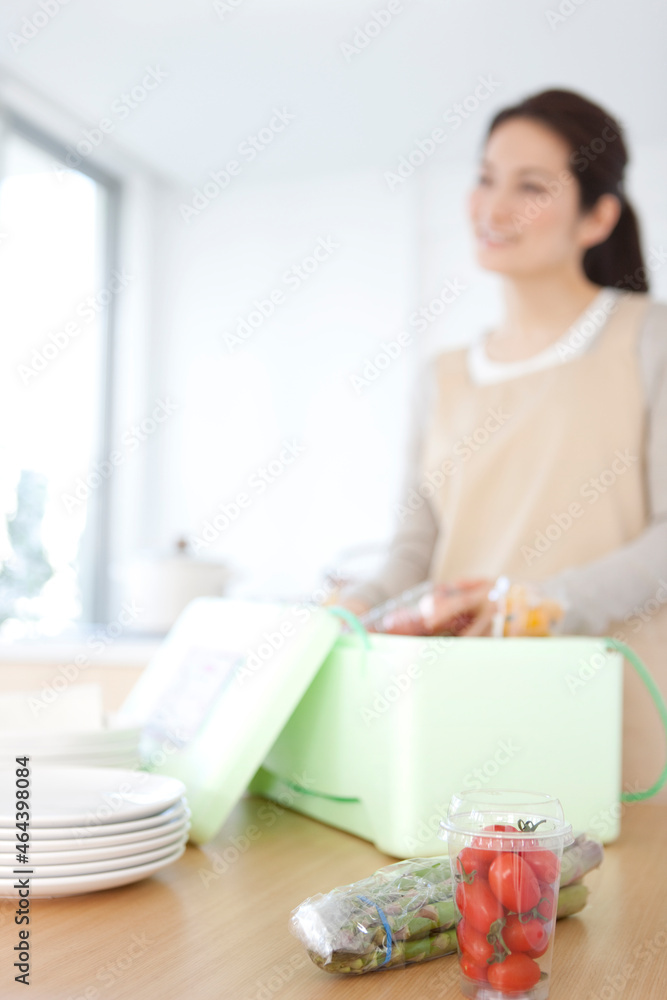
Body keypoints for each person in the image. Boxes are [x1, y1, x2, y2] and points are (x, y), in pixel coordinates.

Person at [337, 89, 667, 801]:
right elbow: (414, 552)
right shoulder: (442, 377)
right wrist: (350, 608)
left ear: (597, 217)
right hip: (458, 716)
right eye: (485, 178)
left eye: (530, 187)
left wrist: (546, 604)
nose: (492, 208)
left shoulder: (649, 340)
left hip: (616, 719)